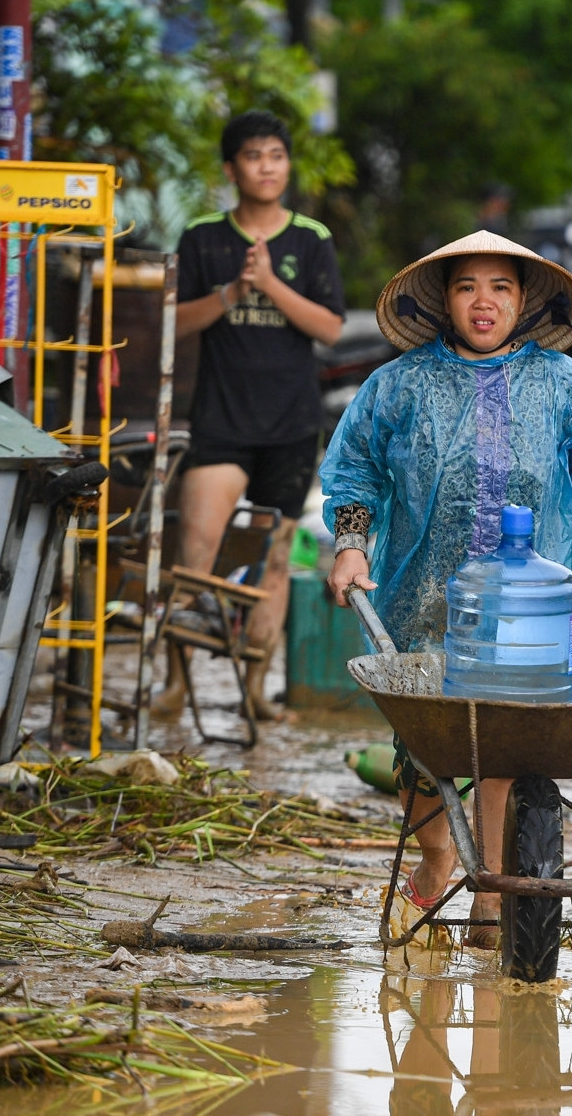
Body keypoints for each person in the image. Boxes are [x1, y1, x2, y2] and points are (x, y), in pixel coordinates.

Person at [319, 229, 572, 947]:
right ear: (444, 301)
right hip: (423, 598)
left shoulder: (560, 383)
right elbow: (355, 470)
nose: (483, 302)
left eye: (500, 288)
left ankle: (489, 903)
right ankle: (435, 863)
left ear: (523, 301)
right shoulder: (399, 385)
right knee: (426, 750)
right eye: (467, 287)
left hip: (527, 605)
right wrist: (349, 546)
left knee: (504, 739)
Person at [160, 110, 345, 719]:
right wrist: (232, 294)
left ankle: (256, 692)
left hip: (291, 424)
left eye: (276, 155)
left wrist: (268, 282)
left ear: (287, 165)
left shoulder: (310, 239)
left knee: (275, 555)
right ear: (231, 168)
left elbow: (330, 328)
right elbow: (175, 322)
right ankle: (176, 685)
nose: (266, 167)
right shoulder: (203, 237)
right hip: (219, 421)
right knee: (196, 549)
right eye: (252, 156)